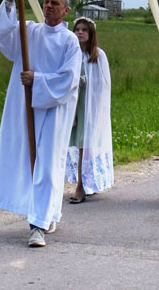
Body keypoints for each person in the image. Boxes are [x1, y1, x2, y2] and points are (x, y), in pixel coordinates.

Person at [0, 0, 81, 248]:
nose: (48, 6)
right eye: (46, 2)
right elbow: (3, 36)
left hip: (53, 111)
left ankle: (38, 225)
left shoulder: (70, 42)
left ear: (65, 11)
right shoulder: (29, 31)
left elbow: (68, 79)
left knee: (47, 166)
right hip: (25, 106)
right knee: (25, 160)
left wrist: (37, 80)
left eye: (55, 3)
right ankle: (43, 214)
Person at [65, 17, 114, 204]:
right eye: (77, 29)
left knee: (85, 144)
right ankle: (83, 182)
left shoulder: (98, 56)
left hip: (89, 107)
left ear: (91, 33)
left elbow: (103, 84)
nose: (80, 32)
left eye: (84, 30)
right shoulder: (71, 54)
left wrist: (87, 83)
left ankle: (82, 186)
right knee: (76, 144)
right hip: (74, 106)